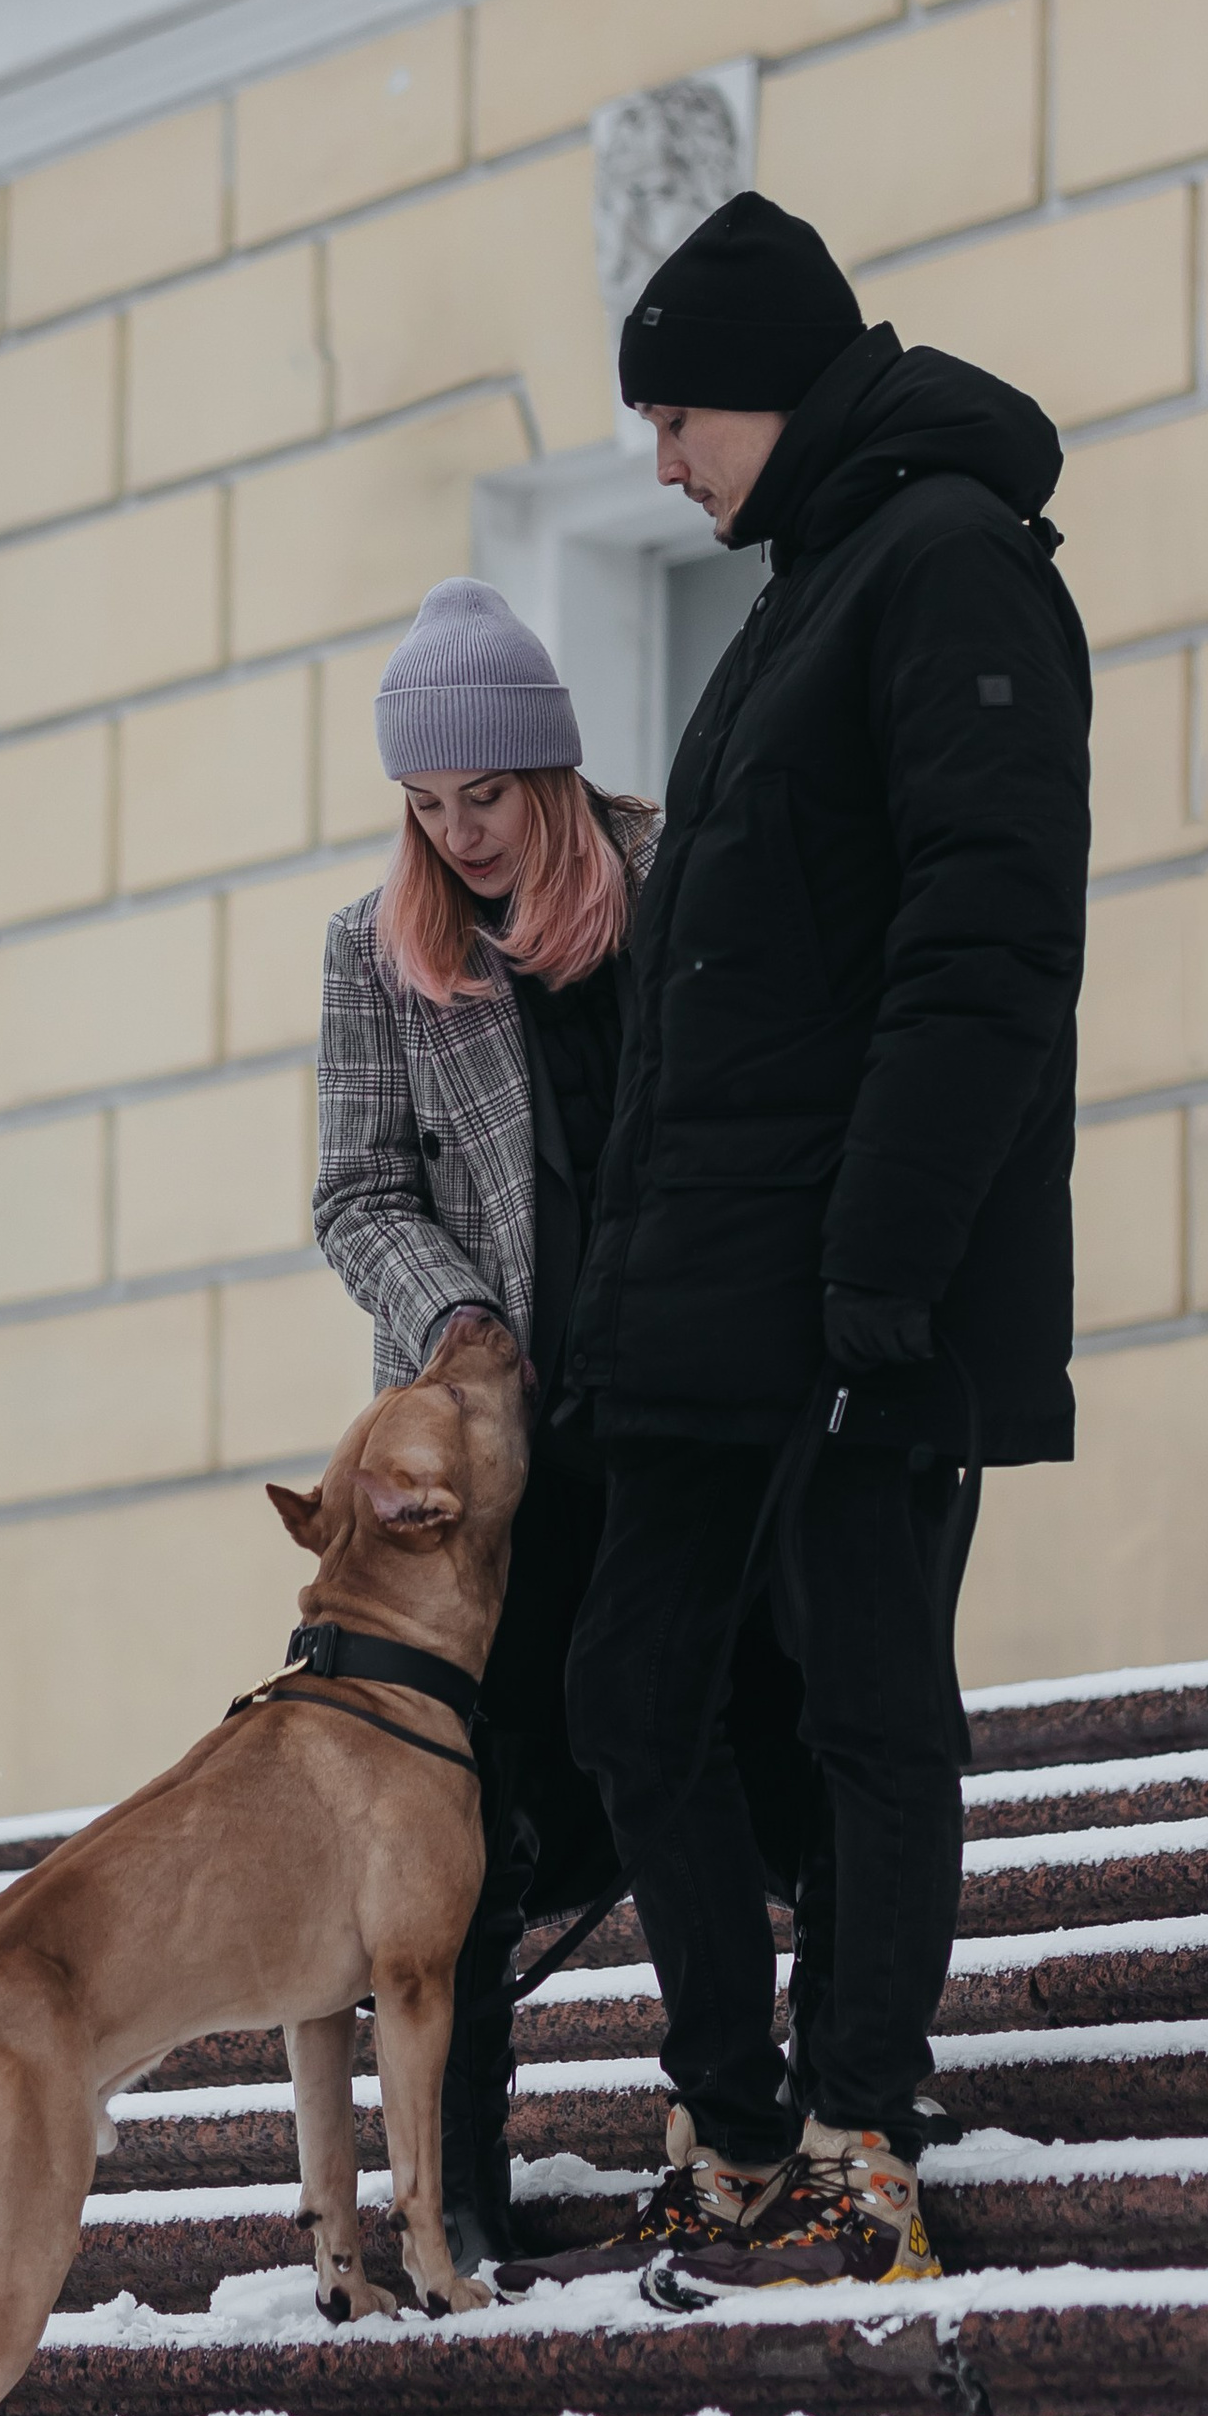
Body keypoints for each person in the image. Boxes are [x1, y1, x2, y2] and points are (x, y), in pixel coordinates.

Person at [509, 189, 1092, 2297]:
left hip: (857, 1291)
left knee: (863, 1703)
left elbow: (983, 951)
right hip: (708, 1301)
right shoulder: (801, 596)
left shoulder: (946, 568)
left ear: (763, 385)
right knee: (628, 1688)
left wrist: (884, 1269)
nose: (661, 459)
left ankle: (856, 2132)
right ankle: (734, 2126)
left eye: (676, 416)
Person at [312, 579, 646, 2268]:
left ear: (552, 772)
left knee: (702, 1749)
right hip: (497, 1459)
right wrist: (455, 1317)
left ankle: (749, 2120)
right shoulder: (377, 949)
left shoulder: (666, 883)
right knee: (472, 1812)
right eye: (426, 805)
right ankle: (460, 2192)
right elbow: (355, 1190)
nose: (458, 836)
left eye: (488, 795)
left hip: (665, 1409)